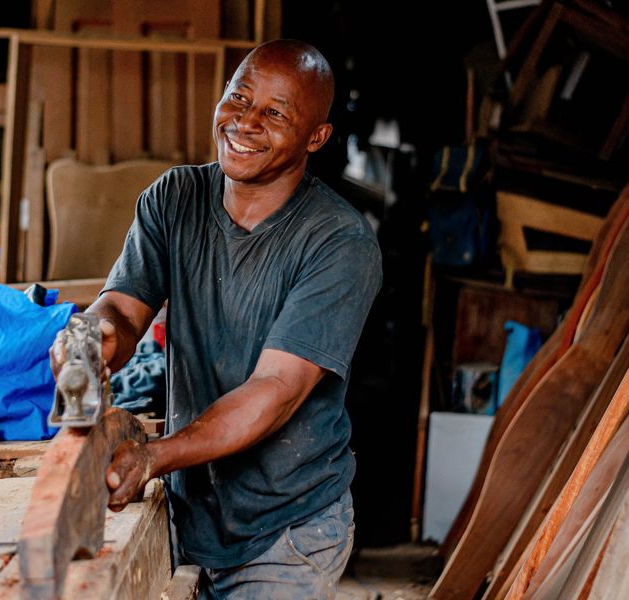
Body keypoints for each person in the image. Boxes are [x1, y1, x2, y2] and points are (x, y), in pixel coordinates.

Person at [52, 39, 382, 599]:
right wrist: (93, 339)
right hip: (192, 511)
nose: (245, 122)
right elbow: (123, 309)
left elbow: (275, 390)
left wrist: (153, 457)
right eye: (239, 97)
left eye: (275, 113)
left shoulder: (339, 242)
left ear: (316, 137)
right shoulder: (175, 198)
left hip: (287, 528)